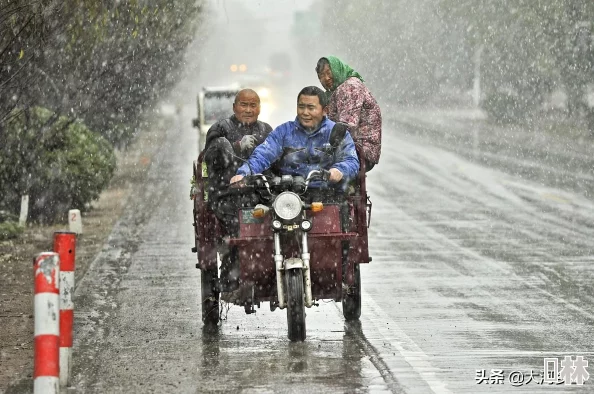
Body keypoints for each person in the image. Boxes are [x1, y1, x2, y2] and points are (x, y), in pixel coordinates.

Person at [202, 88, 272, 291]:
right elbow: (210, 157)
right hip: (228, 195)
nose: (248, 109)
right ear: (234, 107)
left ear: (259, 108)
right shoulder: (220, 128)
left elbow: (278, 160)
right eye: (244, 104)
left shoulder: (267, 130)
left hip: (261, 193)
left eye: (253, 105)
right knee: (237, 229)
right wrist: (235, 147)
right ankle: (232, 271)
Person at [230, 85, 359, 191]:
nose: (305, 112)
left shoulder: (336, 133)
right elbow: (262, 154)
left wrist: (338, 171)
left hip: (328, 194)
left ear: (325, 110)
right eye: (301, 107)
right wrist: (243, 173)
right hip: (287, 195)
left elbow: (351, 161)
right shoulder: (283, 131)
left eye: (311, 108)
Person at [316, 56, 382, 171]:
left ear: (337, 68)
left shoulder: (350, 87)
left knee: (309, 162)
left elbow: (345, 126)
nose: (326, 78)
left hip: (360, 150)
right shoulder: (336, 91)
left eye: (328, 72)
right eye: (321, 75)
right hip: (351, 147)